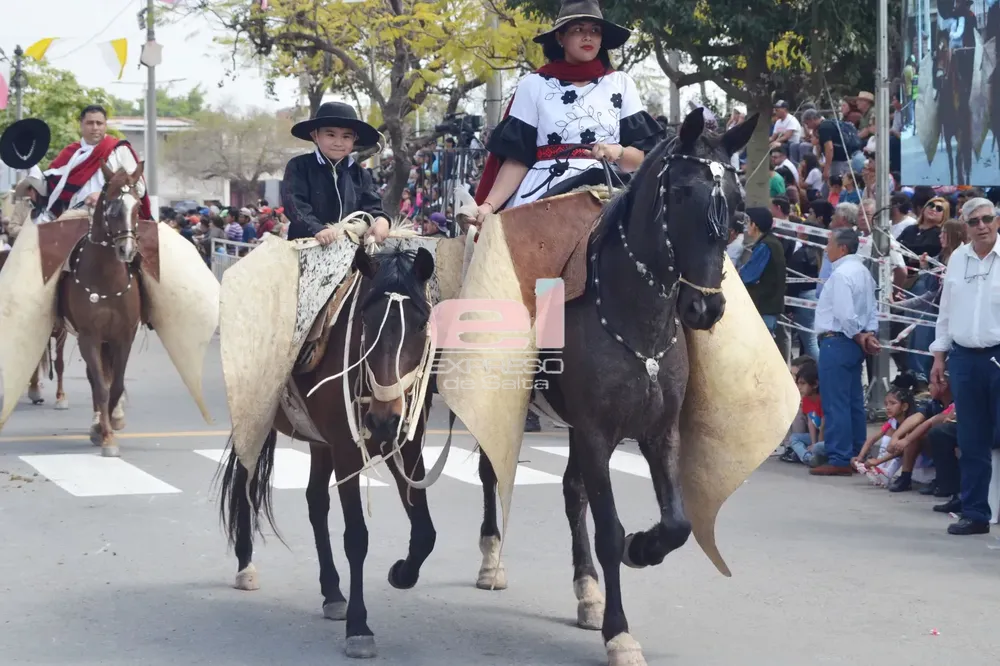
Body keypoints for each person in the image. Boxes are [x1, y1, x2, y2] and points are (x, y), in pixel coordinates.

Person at [473, 0, 662, 222]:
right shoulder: (533, 84)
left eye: (595, 30)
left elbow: (640, 160)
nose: (588, 37)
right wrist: (488, 206)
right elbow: (517, 160)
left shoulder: (621, 84)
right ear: (560, 37)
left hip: (607, 189)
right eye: (578, 29)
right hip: (543, 191)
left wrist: (618, 151)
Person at [929, 197, 1000, 536]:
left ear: (997, 220)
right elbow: (946, 311)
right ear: (966, 226)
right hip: (964, 359)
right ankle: (975, 513)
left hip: (998, 356)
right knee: (971, 440)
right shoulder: (958, 258)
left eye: (987, 218)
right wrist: (939, 356)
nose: (982, 226)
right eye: (974, 221)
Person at [811, 228, 881, 476]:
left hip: (838, 340)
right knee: (853, 402)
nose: (826, 249)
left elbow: (844, 314)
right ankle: (856, 453)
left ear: (842, 248)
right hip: (852, 343)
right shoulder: (863, 272)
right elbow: (872, 310)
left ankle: (840, 457)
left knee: (836, 402)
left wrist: (858, 334)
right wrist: (868, 333)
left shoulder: (841, 274)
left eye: (829, 244)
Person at [281, 101, 391, 245]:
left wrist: (381, 220)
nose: (338, 143)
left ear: (355, 139)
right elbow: (294, 204)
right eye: (331, 135)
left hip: (349, 249)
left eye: (346, 137)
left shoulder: (360, 174)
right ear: (315, 136)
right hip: (305, 246)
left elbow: (372, 205)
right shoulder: (299, 166)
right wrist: (317, 228)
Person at [42, 105, 151, 221]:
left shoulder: (120, 150)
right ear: (81, 124)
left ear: (105, 125)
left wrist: (104, 195)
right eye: (90, 123)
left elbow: (139, 188)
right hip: (75, 217)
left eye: (99, 123)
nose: (95, 128)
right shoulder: (71, 153)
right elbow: (50, 185)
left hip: (114, 217)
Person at [885, 374, 955, 493]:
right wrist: (895, 437)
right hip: (939, 447)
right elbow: (917, 417)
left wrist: (906, 440)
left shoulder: (956, 403)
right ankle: (905, 477)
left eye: (932, 384)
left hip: (956, 444)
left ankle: (943, 480)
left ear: (943, 385)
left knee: (932, 433)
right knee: (915, 431)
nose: (929, 388)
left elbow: (930, 421)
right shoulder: (934, 403)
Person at [851, 387, 917, 486]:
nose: (888, 407)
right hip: (915, 469)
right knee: (889, 433)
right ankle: (880, 470)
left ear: (904, 407)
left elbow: (900, 450)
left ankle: (887, 472)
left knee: (901, 444)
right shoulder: (892, 421)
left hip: (919, 470)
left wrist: (877, 461)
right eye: (886, 404)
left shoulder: (911, 422)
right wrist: (860, 457)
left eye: (892, 403)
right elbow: (873, 438)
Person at [739, 207, 786, 335]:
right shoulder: (772, 242)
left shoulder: (765, 246)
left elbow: (748, 276)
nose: (746, 226)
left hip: (764, 307)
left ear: (755, 225)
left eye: (748, 222)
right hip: (769, 306)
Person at [781, 361, 825, 466]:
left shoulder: (822, 400)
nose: (799, 387)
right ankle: (808, 457)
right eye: (798, 383)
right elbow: (811, 423)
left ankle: (815, 456)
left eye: (803, 383)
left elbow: (824, 426)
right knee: (794, 438)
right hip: (818, 436)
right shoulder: (806, 399)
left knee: (819, 447)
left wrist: (816, 445)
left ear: (815, 384)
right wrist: (813, 443)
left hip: (828, 438)